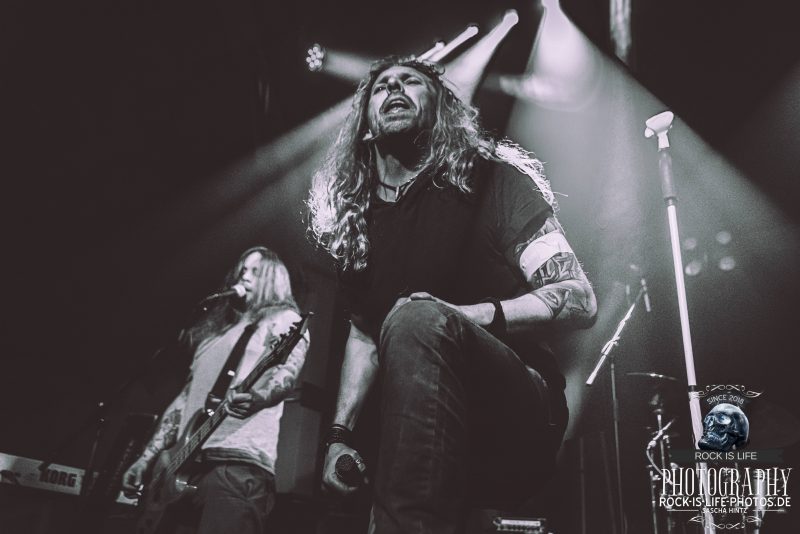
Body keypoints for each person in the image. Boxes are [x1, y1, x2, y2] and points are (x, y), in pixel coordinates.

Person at [308, 56, 597, 533]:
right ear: (364, 125)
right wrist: (339, 435)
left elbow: (577, 296)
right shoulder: (356, 224)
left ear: (441, 107)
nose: (394, 88)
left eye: (410, 82)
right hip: (416, 426)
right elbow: (363, 335)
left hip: (517, 415)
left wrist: (461, 316)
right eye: (382, 86)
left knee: (416, 318)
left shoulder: (493, 182)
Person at [121, 246, 309, 534]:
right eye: (242, 270)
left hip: (236, 463)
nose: (245, 276)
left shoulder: (284, 320)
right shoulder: (214, 334)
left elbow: (287, 373)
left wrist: (259, 398)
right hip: (178, 467)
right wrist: (146, 460)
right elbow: (185, 399)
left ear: (275, 279)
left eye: (255, 271)